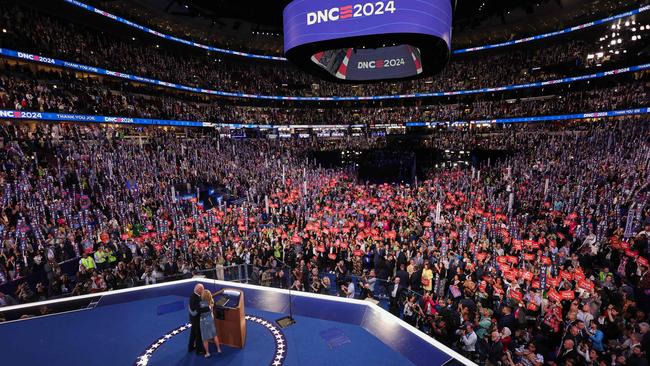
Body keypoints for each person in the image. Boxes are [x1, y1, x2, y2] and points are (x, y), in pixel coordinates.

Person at [200, 289, 222, 358]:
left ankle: (207, 353)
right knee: (214, 335)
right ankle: (219, 349)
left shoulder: (201, 304)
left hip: (204, 321)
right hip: (211, 319)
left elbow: (197, 313)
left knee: (205, 338)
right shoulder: (211, 301)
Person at [188, 283, 206, 354]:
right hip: (197, 320)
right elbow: (199, 310)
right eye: (203, 289)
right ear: (199, 290)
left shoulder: (192, 295)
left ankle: (191, 347)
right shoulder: (197, 299)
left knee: (193, 334)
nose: (203, 290)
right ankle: (199, 350)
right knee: (198, 335)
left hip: (193, 319)